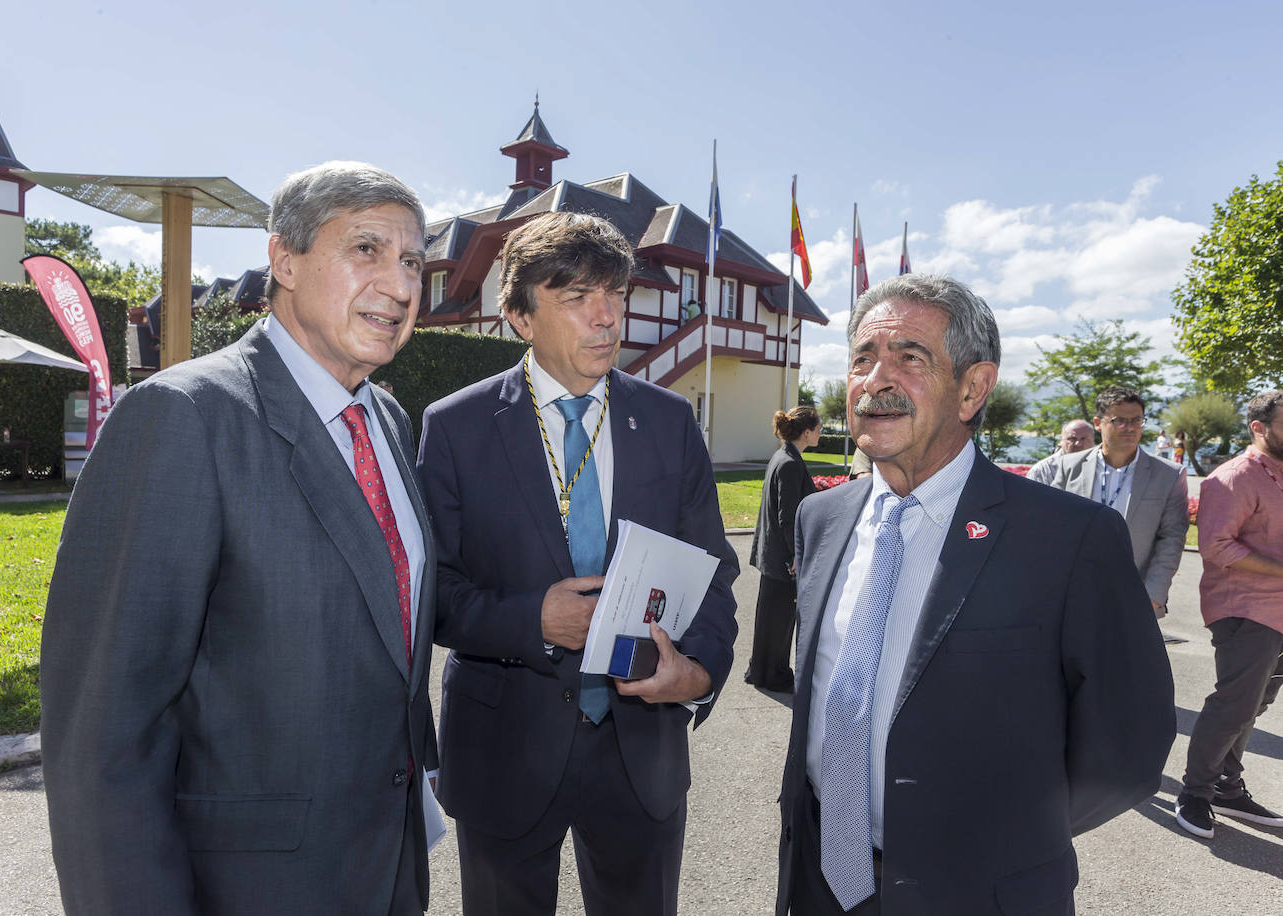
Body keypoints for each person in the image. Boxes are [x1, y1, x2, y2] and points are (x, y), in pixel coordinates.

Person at [41, 162, 438, 915]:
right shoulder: (180, 418)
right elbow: (105, 736)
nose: (400, 285)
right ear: (283, 259)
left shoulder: (386, 419)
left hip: (387, 873)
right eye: (366, 250)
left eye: (413, 261)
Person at [776, 274, 1174, 916]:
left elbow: (1128, 746)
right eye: (862, 358)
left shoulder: (1071, 538)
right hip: (820, 879)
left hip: (977, 894)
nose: (876, 380)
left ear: (972, 388)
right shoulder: (821, 519)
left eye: (909, 357)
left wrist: (1000, 842)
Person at [417, 211, 738, 916]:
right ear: (520, 317)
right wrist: (532, 619)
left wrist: (700, 670)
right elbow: (428, 591)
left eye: (615, 296)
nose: (606, 318)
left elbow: (714, 571)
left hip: (639, 750)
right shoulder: (454, 427)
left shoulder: (668, 421)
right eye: (575, 298)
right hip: (504, 744)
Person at [1175, 390, 1283, 839]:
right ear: (1258, 427)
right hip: (1246, 608)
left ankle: (1227, 786)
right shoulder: (1233, 476)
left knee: (1255, 704)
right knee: (1234, 704)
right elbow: (1217, 546)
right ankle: (1195, 794)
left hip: (1277, 611)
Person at [1049, 386, 1190, 616]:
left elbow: (1172, 539)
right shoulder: (1069, 467)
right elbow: (1051, 530)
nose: (1130, 428)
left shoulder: (1168, 475)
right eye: (1119, 420)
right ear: (1098, 422)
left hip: (1133, 599)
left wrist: (1152, 597)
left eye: (1136, 420)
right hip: (1072, 594)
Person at [745, 405, 821, 692]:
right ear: (807, 431)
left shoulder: (783, 456)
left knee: (769, 619)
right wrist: (795, 557)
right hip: (782, 558)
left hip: (772, 554)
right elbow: (787, 516)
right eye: (818, 428)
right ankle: (773, 675)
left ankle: (760, 671)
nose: (820, 433)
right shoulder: (789, 463)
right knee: (778, 622)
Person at [1025, 417, 1095, 485]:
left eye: (1084, 439)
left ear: (1093, 441)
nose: (1078, 444)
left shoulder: (1099, 468)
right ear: (1061, 440)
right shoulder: (1042, 471)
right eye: (1072, 439)